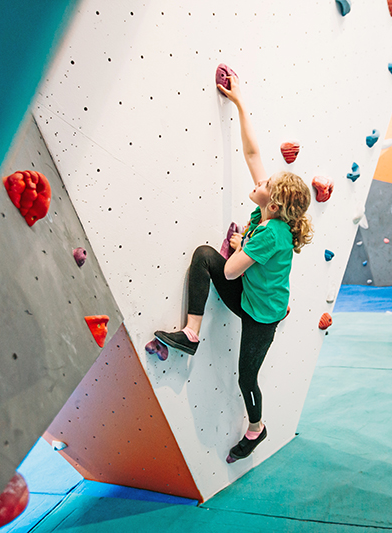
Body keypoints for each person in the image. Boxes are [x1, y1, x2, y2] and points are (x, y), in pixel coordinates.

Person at [145, 72, 313, 464]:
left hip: (261, 314)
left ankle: (256, 428)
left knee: (246, 376)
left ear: (273, 204)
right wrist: (239, 102)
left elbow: (233, 272)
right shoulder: (269, 210)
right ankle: (191, 332)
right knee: (205, 255)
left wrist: (240, 246)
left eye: (265, 185)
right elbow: (253, 154)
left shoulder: (271, 234)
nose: (260, 181)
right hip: (252, 293)